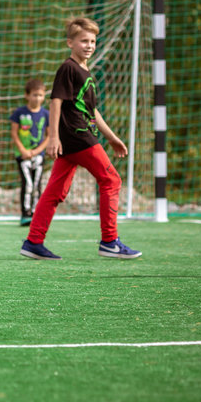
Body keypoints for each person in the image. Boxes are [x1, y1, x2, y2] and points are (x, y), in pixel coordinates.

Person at [20, 17, 141, 260]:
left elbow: (92, 111)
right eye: (83, 40)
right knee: (111, 180)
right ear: (70, 43)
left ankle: (33, 242)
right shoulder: (68, 68)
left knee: (55, 190)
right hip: (77, 136)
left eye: (93, 41)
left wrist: (112, 138)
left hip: (79, 137)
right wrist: (53, 137)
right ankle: (110, 241)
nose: (89, 45)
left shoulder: (85, 72)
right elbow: (55, 102)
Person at [9, 78, 50, 226]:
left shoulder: (46, 114)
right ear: (27, 95)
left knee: (37, 184)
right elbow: (14, 134)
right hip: (23, 155)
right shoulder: (19, 113)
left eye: (40, 95)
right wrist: (23, 150)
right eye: (34, 95)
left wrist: (37, 151)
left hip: (38, 155)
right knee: (27, 183)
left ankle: (36, 213)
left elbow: (49, 136)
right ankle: (25, 213)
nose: (37, 98)